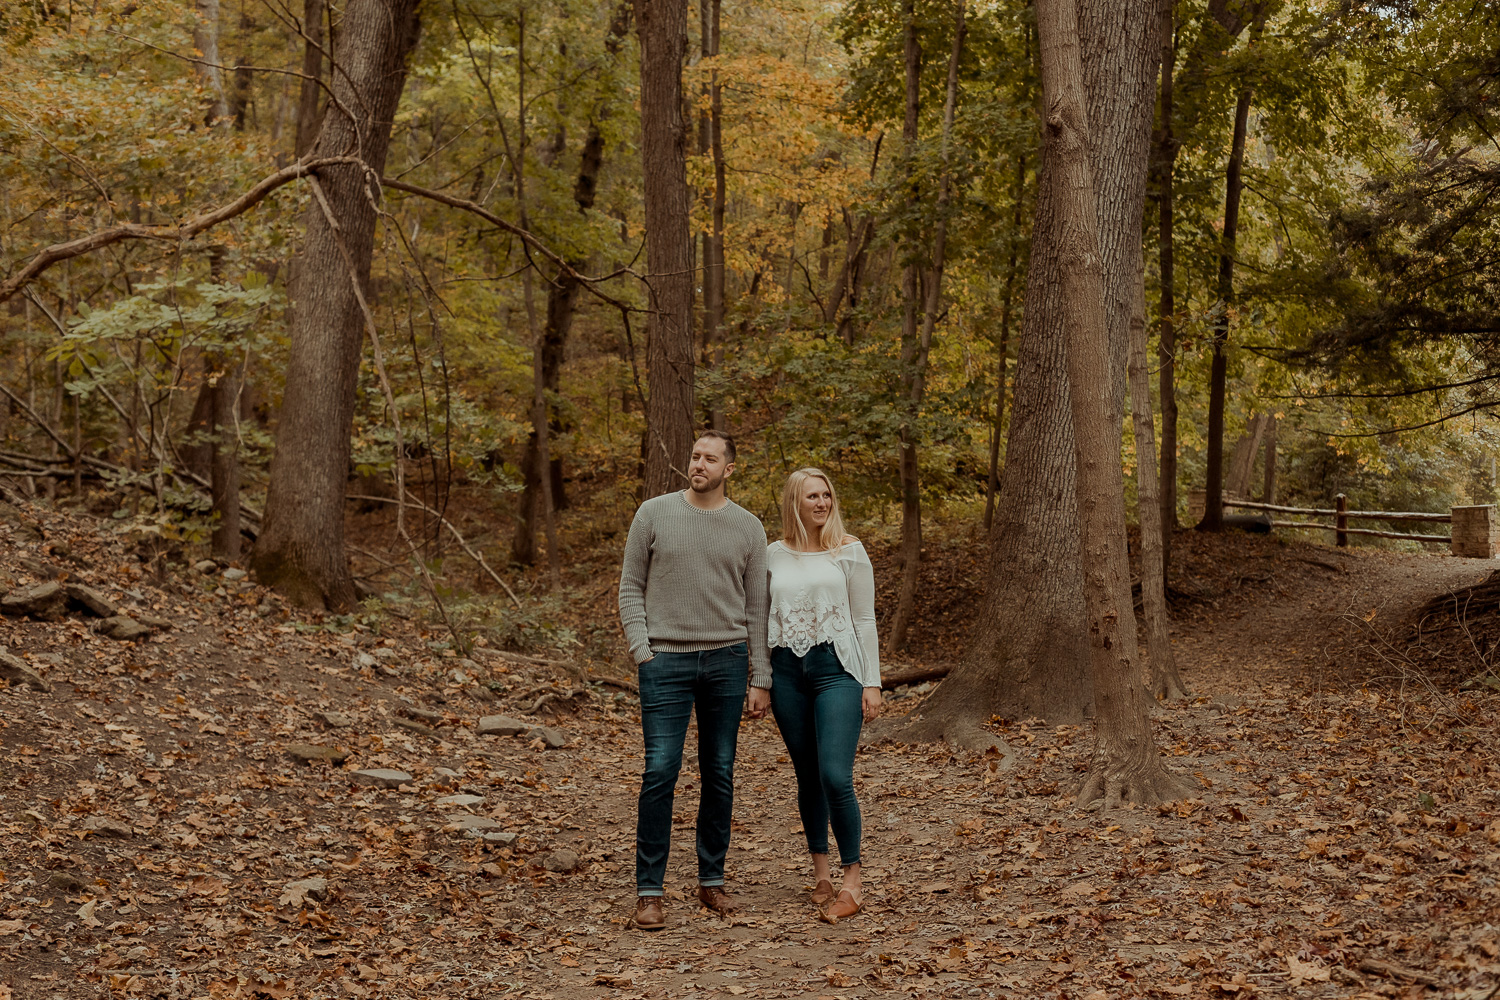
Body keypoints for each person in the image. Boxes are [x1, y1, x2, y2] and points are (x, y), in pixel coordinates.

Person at [617, 430, 771, 931]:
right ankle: (649, 890)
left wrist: (760, 675)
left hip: (726, 662)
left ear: (729, 469)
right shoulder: (653, 513)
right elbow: (630, 588)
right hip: (665, 662)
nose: (698, 464)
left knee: (719, 772)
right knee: (660, 770)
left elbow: (756, 608)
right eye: (694, 455)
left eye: (709, 459)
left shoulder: (749, 528)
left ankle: (711, 879)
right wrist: (644, 650)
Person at [745, 467, 882, 922]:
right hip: (787, 672)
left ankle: (852, 881)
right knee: (806, 773)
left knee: (834, 775)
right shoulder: (772, 554)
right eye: (812, 497)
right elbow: (761, 620)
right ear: (794, 503)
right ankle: (821, 874)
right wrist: (760, 680)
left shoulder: (849, 550)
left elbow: (864, 620)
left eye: (826, 495)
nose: (822, 503)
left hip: (836, 669)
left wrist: (872, 681)